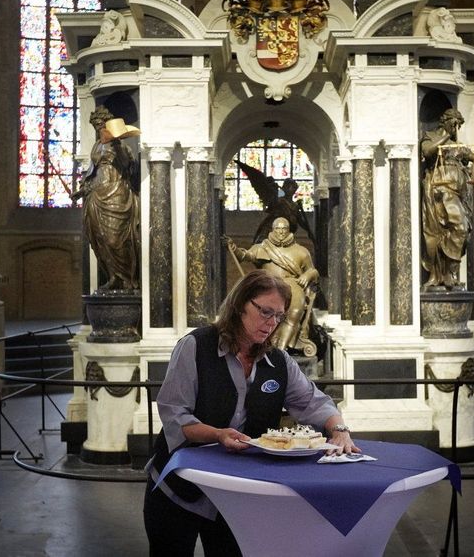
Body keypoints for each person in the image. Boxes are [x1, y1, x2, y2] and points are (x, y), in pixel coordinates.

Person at [144, 269, 358, 556]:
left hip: (234, 494)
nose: (272, 324)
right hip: (179, 487)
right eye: (265, 312)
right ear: (240, 304)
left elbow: (313, 402)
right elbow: (175, 414)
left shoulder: (278, 361)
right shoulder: (195, 347)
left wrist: (339, 430)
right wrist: (218, 434)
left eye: (279, 316)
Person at [72, 106, 140, 291]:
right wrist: (82, 190)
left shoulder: (121, 146)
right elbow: (91, 172)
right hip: (96, 195)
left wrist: (117, 143)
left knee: (114, 239)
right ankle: (113, 277)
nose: (99, 129)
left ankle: (127, 278)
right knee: (100, 239)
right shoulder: (96, 146)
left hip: (117, 192)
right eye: (96, 126)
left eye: (102, 125)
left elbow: (128, 166)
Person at [225, 217, 318, 353]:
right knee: (266, 313)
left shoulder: (301, 251)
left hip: (293, 284)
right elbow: (245, 255)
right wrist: (234, 247)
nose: (281, 232)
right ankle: (267, 344)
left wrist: (307, 275)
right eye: (278, 229)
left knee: (295, 311)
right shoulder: (263, 248)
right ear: (273, 230)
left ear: (289, 230)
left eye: (284, 229)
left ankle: (281, 350)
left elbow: (312, 270)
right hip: (268, 284)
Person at [420, 108, 474, 290]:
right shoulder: (430, 136)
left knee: (462, 230)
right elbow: (428, 151)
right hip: (439, 192)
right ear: (445, 121)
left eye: (459, 125)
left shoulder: (459, 147)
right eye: (455, 123)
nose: (457, 128)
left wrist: (471, 167)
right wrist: (446, 136)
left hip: (457, 193)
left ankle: (449, 273)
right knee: (447, 231)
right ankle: (438, 274)